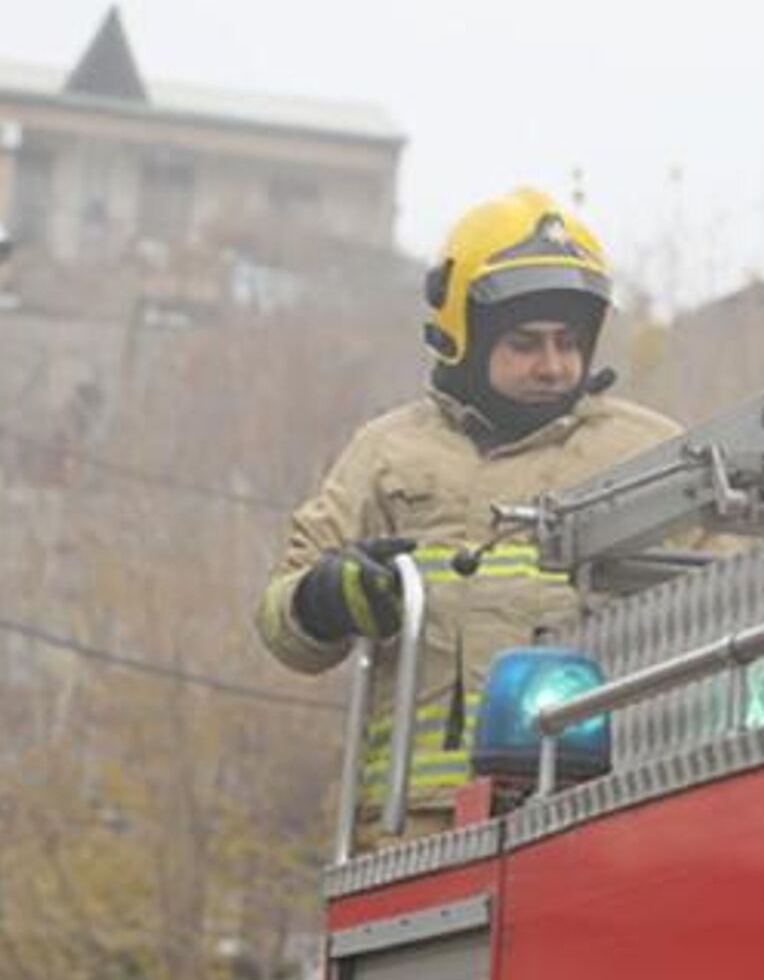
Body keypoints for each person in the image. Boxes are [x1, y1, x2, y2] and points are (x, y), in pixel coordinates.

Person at [255, 189, 682, 841]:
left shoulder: (650, 456)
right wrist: (324, 599)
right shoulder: (387, 453)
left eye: (569, 342)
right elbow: (281, 626)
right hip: (409, 832)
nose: (553, 366)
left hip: (594, 819)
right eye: (525, 343)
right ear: (462, 337)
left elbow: (731, 600)